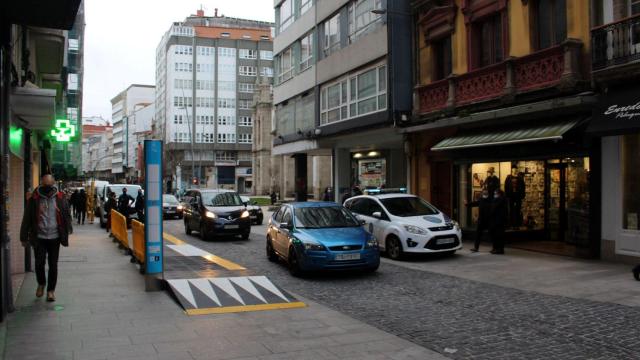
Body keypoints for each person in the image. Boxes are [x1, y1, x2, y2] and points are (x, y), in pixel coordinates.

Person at [20, 174, 72, 302]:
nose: (48, 187)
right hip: (40, 237)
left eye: (50, 184)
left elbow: (66, 214)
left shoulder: (60, 197)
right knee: (39, 263)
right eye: (45, 184)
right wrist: (23, 236)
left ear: (53, 183)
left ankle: (50, 291)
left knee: (53, 265)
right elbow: (27, 218)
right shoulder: (34, 198)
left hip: (55, 237)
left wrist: (67, 229)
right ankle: (41, 283)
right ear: (41, 183)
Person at [490, 189, 508, 254]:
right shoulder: (499, 200)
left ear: (499, 194)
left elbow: (494, 208)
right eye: (494, 193)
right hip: (496, 220)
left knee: (499, 235)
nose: (495, 195)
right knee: (495, 235)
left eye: (496, 193)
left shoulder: (501, 200)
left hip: (499, 221)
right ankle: (495, 248)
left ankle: (499, 249)